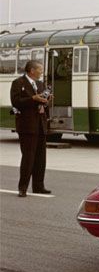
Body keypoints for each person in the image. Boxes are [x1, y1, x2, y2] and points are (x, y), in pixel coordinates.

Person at [10, 60, 52, 197]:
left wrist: (46, 101)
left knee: (41, 158)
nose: (41, 72)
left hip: (40, 125)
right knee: (28, 157)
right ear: (32, 70)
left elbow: (42, 103)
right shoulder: (18, 83)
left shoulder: (40, 84)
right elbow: (16, 102)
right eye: (40, 69)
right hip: (27, 126)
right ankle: (23, 187)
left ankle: (39, 186)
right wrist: (33, 98)